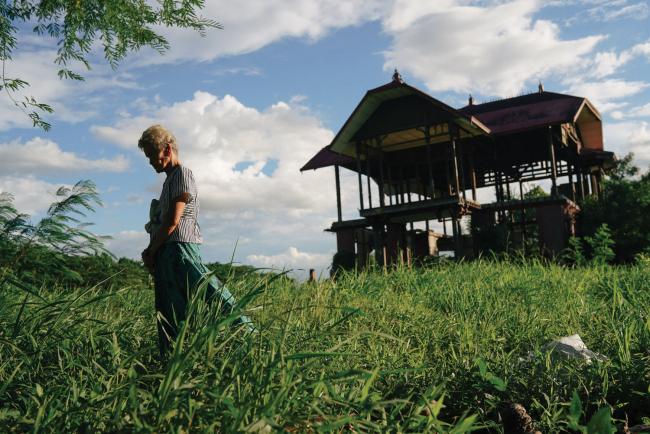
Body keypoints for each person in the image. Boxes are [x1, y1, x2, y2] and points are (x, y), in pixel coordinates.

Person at [138, 125, 253, 357]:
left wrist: (151, 250)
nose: (150, 161)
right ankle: (174, 361)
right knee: (170, 311)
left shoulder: (183, 174)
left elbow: (173, 221)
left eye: (153, 155)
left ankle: (249, 337)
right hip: (166, 252)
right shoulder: (169, 181)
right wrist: (152, 252)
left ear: (167, 149)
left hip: (180, 249)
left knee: (212, 294)